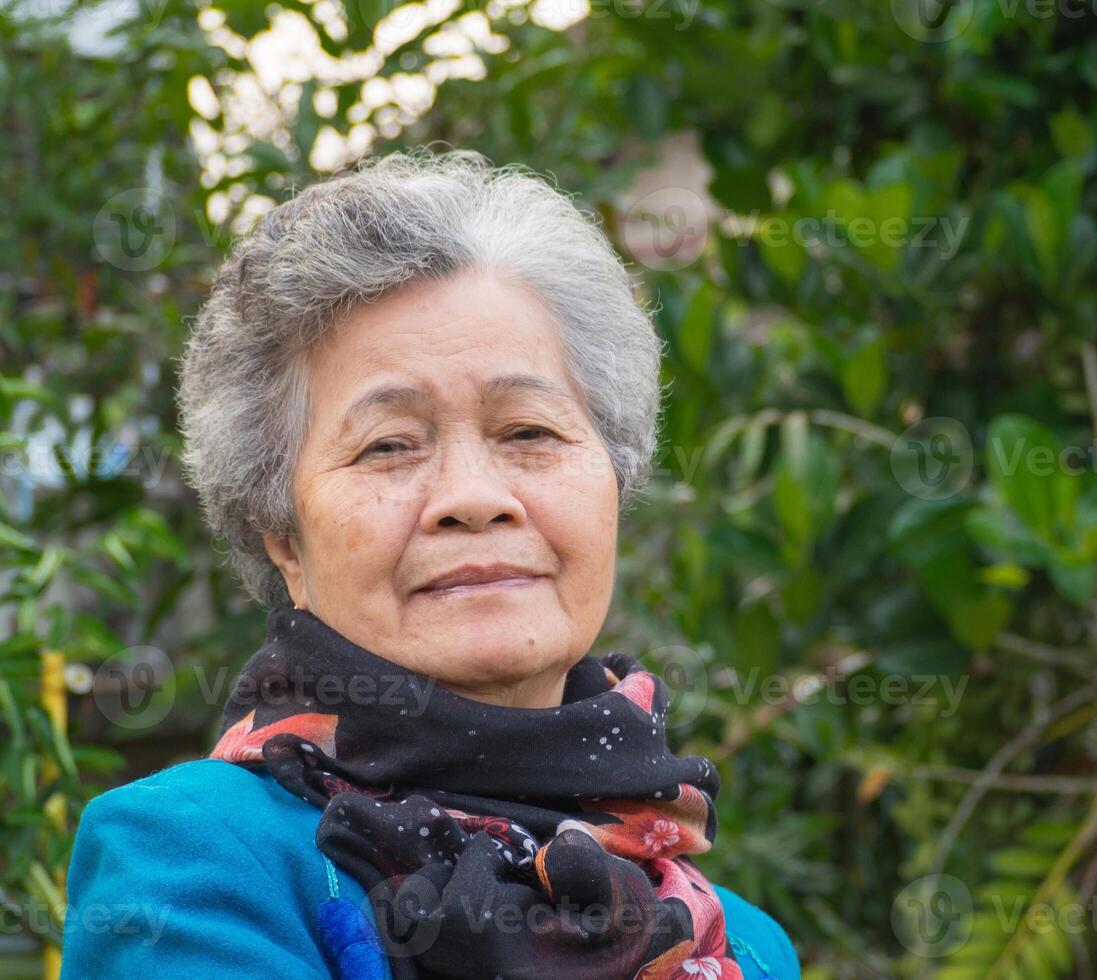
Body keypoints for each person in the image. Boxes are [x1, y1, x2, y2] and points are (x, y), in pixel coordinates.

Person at [60, 149, 800, 980]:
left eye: (528, 431)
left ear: (614, 482)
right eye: (389, 446)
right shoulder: (196, 861)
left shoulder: (746, 945)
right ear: (284, 538)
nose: (474, 497)